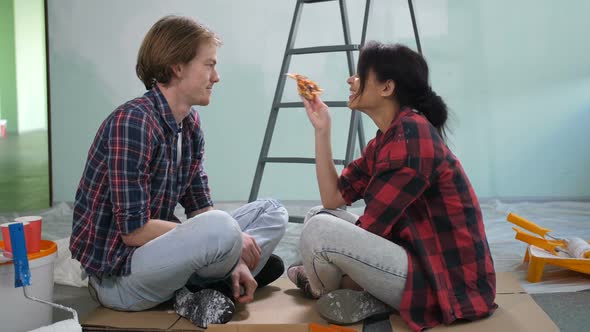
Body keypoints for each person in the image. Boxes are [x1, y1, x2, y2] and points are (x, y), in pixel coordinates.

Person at [70, 15, 288, 328]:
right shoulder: (132, 123)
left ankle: (217, 280)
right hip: (120, 278)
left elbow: (201, 209)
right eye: (209, 65)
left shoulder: (190, 124)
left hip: (158, 260)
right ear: (177, 67)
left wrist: (236, 252)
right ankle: (216, 281)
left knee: (273, 212)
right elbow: (134, 232)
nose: (217, 77)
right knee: (224, 229)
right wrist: (232, 239)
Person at [287, 41, 496, 331]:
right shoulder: (388, 136)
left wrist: (333, 252)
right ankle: (358, 291)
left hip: (442, 282)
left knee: (318, 231)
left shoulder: (411, 135)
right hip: (413, 255)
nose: (351, 80)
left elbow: (370, 228)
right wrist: (323, 129)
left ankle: (333, 289)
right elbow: (333, 198)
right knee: (317, 216)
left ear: (387, 88)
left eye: (360, 74)